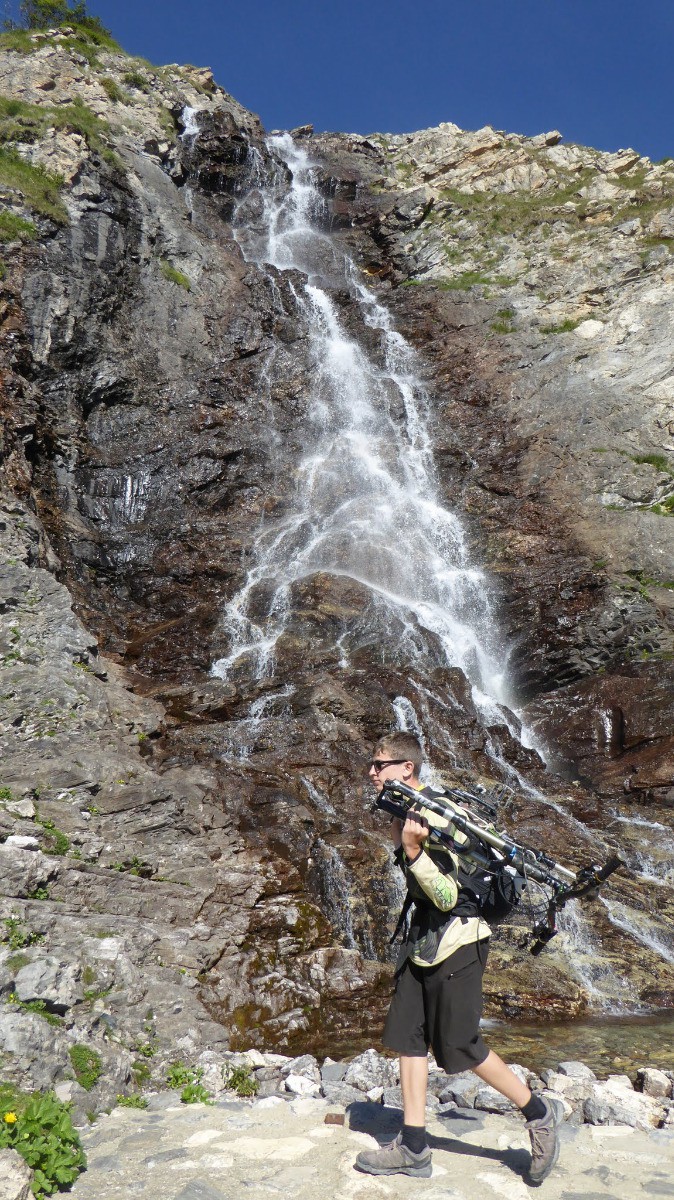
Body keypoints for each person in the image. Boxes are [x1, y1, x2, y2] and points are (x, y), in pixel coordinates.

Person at [354, 731, 563, 1187]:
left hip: (457, 943)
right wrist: (405, 845)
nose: (371, 772)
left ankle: (540, 1114)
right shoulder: (402, 809)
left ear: (407, 768)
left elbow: (449, 896)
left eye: (379, 764)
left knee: (462, 1046)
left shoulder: (438, 814)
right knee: (409, 1036)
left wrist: (412, 851)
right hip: (421, 940)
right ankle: (413, 1146)